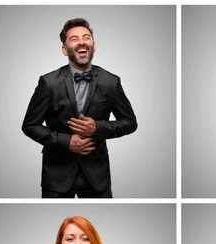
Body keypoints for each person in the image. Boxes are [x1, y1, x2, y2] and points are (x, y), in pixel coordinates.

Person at [22, 18, 137, 198]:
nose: (82, 41)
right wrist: (66, 141)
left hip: (97, 176)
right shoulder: (48, 83)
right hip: (57, 175)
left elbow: (130, 122)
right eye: (74, 39)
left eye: (86, 37)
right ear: (64, 49)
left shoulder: (111, 82)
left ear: (93, 45)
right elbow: (29, 125)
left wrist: (97, 128)